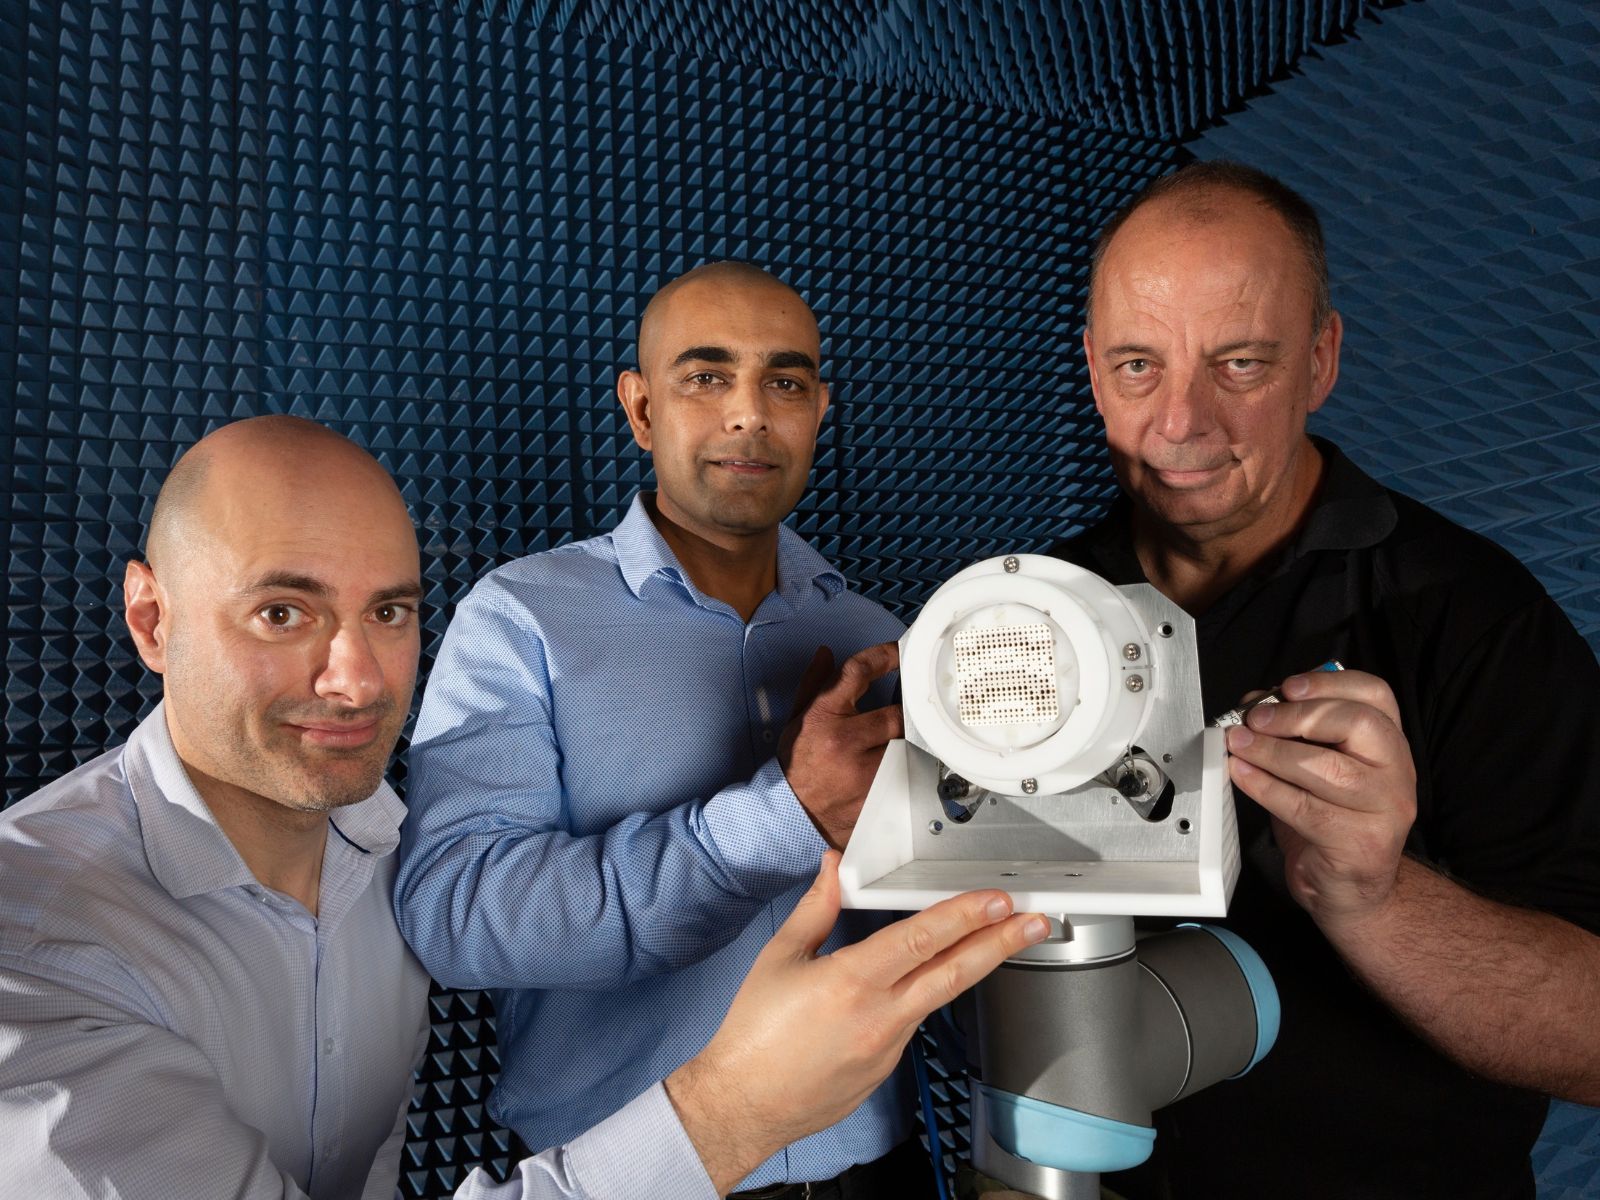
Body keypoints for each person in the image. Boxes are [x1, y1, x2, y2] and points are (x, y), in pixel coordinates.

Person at [0, 415, 1050, 1200]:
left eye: (390, 612)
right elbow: (474, 913)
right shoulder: (34, 943)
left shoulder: (376, 845)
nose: (357, 679)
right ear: (152, 619)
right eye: (283, 612)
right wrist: (732, 1108)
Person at [1050, 161, 1600, 1199]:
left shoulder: (1474, 617)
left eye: (1239, 364)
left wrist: (1373, 901)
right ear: (1090, 367)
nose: (1180, 422)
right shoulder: (1026, 615)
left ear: (1319, 360)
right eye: (1137, 366)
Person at [396, 263, 925, 1193]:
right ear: (641, 410)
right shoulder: (523, 620)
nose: (749, 415)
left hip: (881, 1169)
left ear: (819, 410)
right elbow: (457, 911)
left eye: (785, 383)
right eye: (707, 377)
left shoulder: (878, 635)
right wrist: (784, 817)